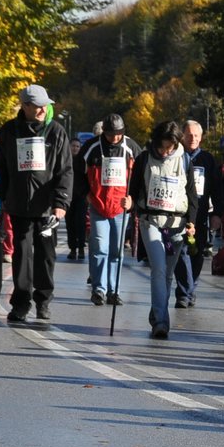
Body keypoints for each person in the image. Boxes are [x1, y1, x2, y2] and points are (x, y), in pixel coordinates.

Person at [0, 84, 73, 324]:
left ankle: (43, 300)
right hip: (18, 205)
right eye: (37, 106)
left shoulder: (56, 132)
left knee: (46, 256)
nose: (42, 110)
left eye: (45, 106)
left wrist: (61, 203)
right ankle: (20, 303)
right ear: (25, 106)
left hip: (48, 208)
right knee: (22, 256)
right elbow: (1, 168)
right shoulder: (9, 131)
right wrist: (1, 200)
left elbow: (65, 170)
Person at [129, 120, 199, 339]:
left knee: (167, 274)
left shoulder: (185, 160)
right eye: (162, 146)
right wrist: (129, 203)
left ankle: (156, 313)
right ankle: (161, 321)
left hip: (177, 224)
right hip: (151, 220)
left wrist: (192, 222)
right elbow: (133, 191)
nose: (165, 151)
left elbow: (192, 194)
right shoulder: (144, 159)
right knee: (158, 269)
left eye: (170, 146)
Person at [83, 114, 135, 307]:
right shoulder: (91, 147)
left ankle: (114, 290)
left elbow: (141, 177)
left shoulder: (131, 148)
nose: (115, 138)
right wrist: (86, 195)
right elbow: (77, 172)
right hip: (98, 206)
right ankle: (99, 289)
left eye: (118, 134)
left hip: (120, 208)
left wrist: (133, 200)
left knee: (117, 251)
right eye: (111, 134)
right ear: (104, 132)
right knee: (99, 248)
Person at [175, 120, 224, 309]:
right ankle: (183, 293)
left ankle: (190, 288)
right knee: (181, 252)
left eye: (196, 135)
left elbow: (217, 190)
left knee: (196, 253)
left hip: (201, 215)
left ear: (201, 137)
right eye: (189, 135)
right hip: (179, 214)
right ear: (182, 136)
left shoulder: (208, 160)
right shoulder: (176, 157)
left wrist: (217, 214)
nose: (193, 139)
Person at [66, 134, 89, 263]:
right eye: (73, 146)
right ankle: (72, 249)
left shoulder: (83, 161)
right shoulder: (65, 160)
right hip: (68, 197)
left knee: (80, 223)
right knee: (70, 223)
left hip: (81, 196)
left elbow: (88, 178)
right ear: (68, 147)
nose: (75, 148)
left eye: (77, 146)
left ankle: (80, 248)